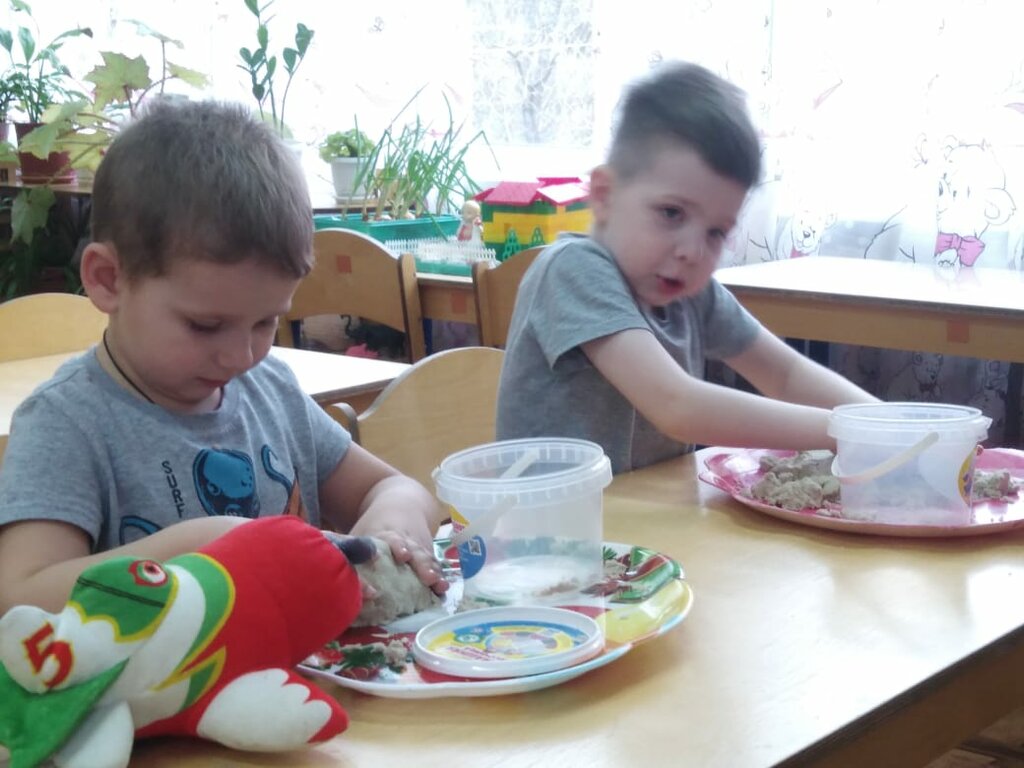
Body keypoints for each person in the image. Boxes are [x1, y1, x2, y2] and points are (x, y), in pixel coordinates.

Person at [0, 100, 447, 615]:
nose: (241, 356)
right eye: (205, 325)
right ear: (108, 280)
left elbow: (395, 488)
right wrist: (204, 548)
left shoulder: (271, 391)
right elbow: (20, 599)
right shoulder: (66, 424)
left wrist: (391, 525)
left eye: (265, 322)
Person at [496, 62, 878, 474]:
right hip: (555, 514)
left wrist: (891, 426)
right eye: (671, 213)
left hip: (645, 511)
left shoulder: (692, 293)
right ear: (604, 195)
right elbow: (676, 404)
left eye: (716, 232)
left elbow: (785, 374)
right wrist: (850, 432)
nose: (693, 252)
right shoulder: (573, 269)